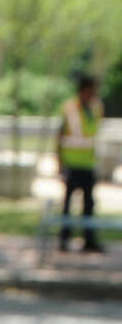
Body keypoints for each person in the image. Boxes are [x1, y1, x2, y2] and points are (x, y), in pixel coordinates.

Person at [58, 73, 105, 251]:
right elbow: (61, 135)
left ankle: (89, 240)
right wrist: (60, 164)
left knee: (89, 204)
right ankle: (64, 239)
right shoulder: (70, 108)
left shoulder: (95, 107)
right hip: (71, 163)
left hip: (88, 163)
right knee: (67, 204)